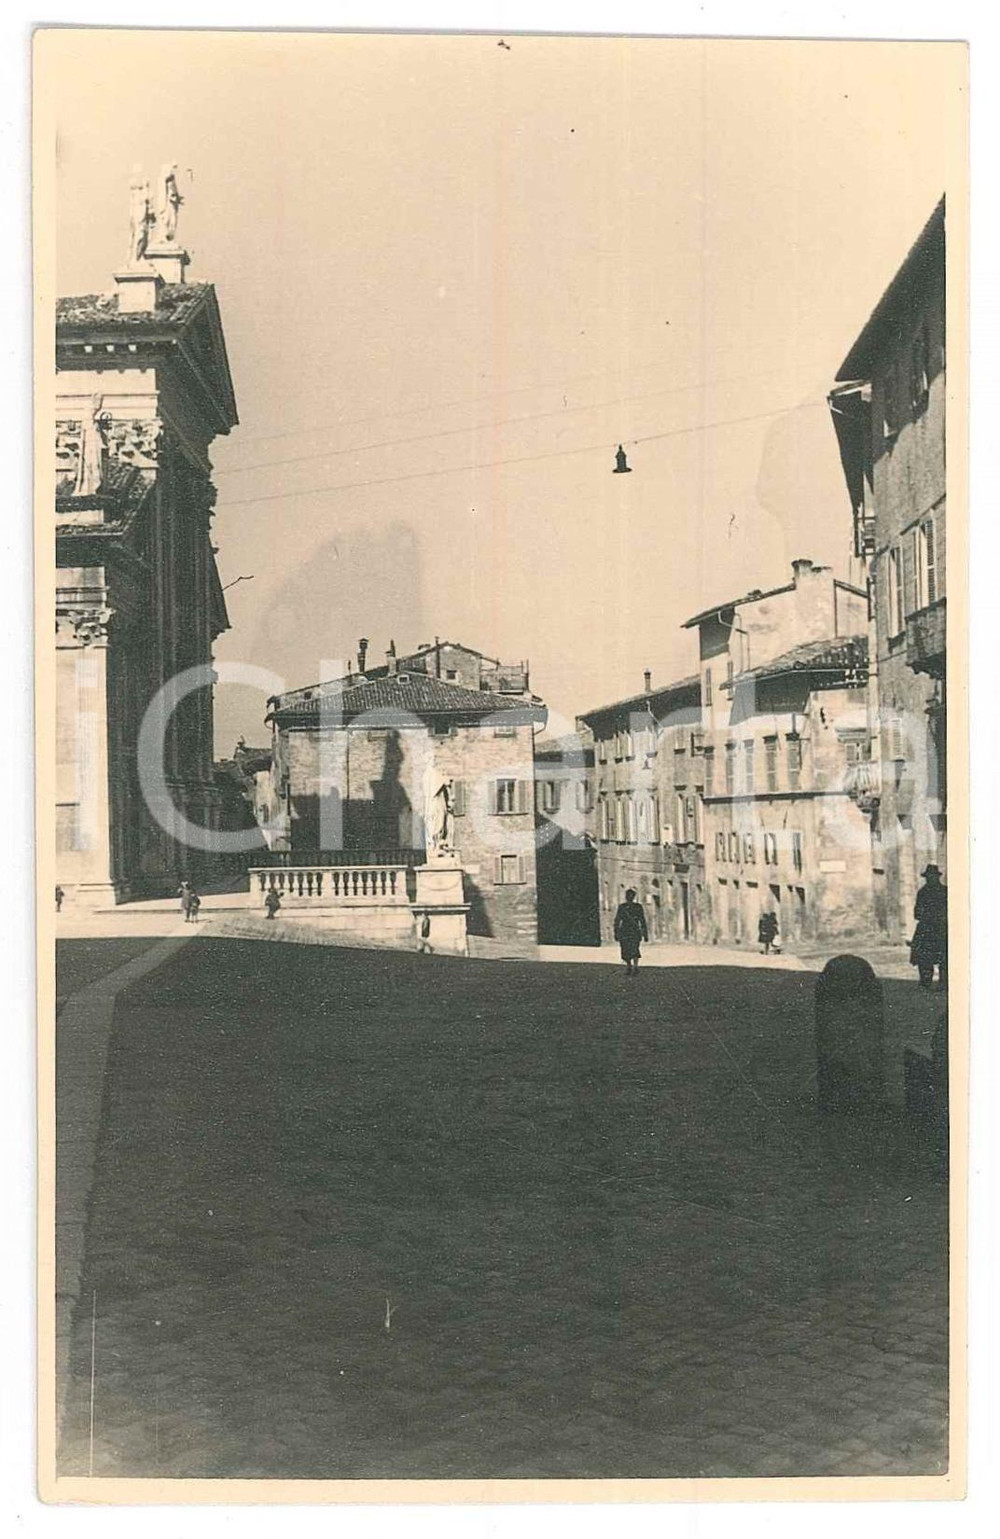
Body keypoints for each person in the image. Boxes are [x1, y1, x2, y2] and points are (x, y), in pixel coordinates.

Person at [910, 864, 948, 989]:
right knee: (924, 956)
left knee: (944, 956)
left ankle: (944, 982)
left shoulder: (945, 892)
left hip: (941, 928)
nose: (930, 878)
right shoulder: (922, 893)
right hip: (928, 929)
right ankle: (926, 981)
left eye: (933, 876)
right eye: (928, 876)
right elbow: (917, 913)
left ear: (937, 877)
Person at [613, 888, 648, 973]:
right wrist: (645, 933)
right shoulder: (638, 907)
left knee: (626, 948)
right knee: (635, 947)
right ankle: (635, 966)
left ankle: (629, 966)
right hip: (634, 930)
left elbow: (617, 921)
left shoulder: (622, 907)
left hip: (625, 930)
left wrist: (616, 932)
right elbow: (642, 920)